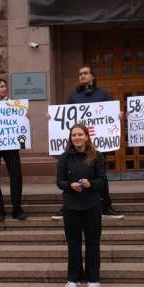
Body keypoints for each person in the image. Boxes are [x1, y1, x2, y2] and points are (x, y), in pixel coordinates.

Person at [52, 65, 123, 220]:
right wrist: (52, 118)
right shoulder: (73, 96)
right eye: (80, 74)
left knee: (100, 177)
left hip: (98, 144)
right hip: (79, 145)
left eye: (85, 73)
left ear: (93, 77)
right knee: (72, 174)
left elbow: (111, 114)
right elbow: (64, 117)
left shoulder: (103, 95)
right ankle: (67, 206)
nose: (82, 76)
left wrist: (118, 116)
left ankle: (106, 205)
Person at [57, 124, 105, 287]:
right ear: (71, 138)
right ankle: (73, 279)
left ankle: (93, 279)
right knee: (73, 244)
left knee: (93, 243)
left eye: (80, 134)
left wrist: (90, 183)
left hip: (92, 206)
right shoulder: (64, 158)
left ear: (86, 137)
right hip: (71, 206)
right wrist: (70, 186)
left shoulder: (96, 156)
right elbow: (60, 182)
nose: (76, 137)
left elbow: (102, 181)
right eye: (73, 135)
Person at [0, 78, 26, 222]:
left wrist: (24, 117)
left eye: (5, 86)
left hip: (10, 144)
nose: (4, 88)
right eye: (1, 86)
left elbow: (20, 121)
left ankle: (17, 208)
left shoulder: (13, 104)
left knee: (17, 175)